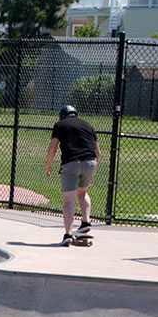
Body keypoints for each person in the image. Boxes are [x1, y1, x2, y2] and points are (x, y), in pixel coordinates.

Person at [44, 103, 99, 243]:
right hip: (90, 163)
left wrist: (48, 165)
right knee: (83, 193)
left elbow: (52, 148)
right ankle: (85, 223)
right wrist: (93, 173)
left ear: (62, 116)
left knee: (69, 200)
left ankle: (68, 234)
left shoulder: (60, 125)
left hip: (71, 163)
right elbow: (98, 153)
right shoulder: (88, 125)